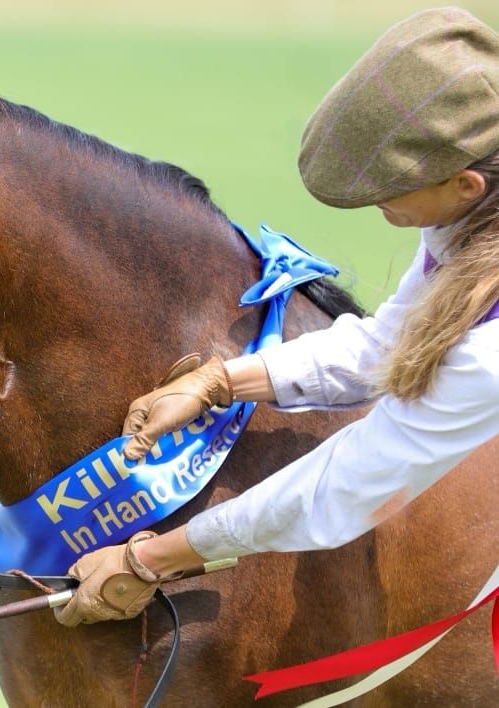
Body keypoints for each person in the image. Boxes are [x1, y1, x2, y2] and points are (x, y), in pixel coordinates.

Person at [55, 6, 499, 627]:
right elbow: (386, 345)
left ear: (466, 185)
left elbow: (348, 483)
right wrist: (216, 381)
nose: (375, 205)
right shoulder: (471, 227)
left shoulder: (489, 357)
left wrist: (150, 559)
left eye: (390, 190)